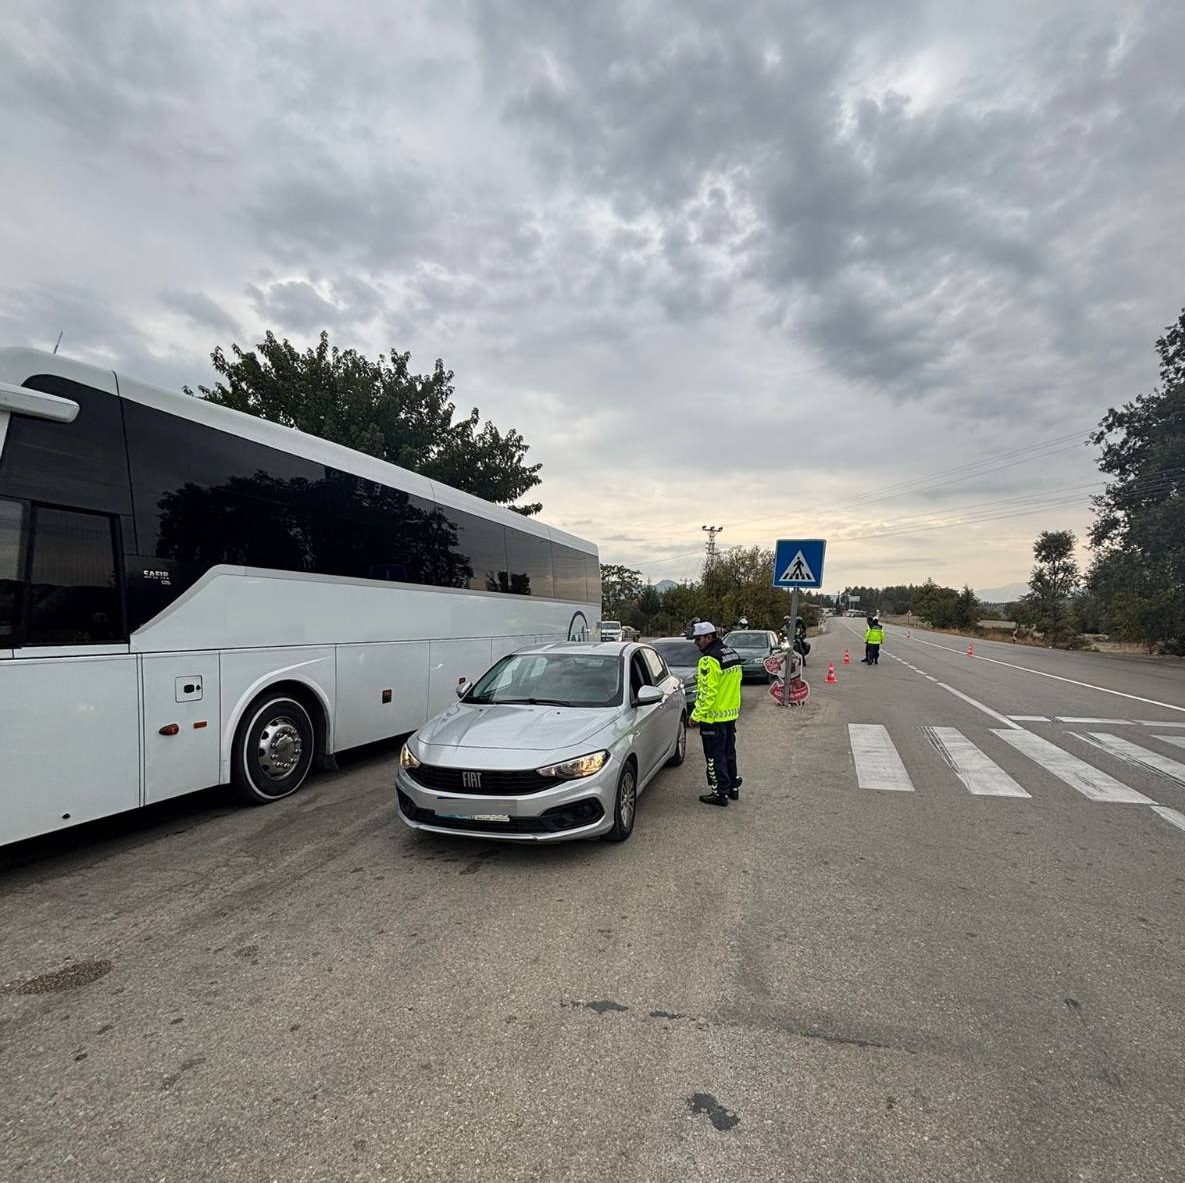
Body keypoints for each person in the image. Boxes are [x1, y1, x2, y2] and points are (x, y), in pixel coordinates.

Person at [686, 621, 743, 806]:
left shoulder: (709, 660)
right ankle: (733, 787)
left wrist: (695, 715)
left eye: (698, 639)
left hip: (713, 716)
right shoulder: (731, 653)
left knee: (713, 756)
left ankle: (719, 793)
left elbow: (707, 693)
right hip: (730, 714)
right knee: (729, 752)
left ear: (709, 637)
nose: (696, 643)